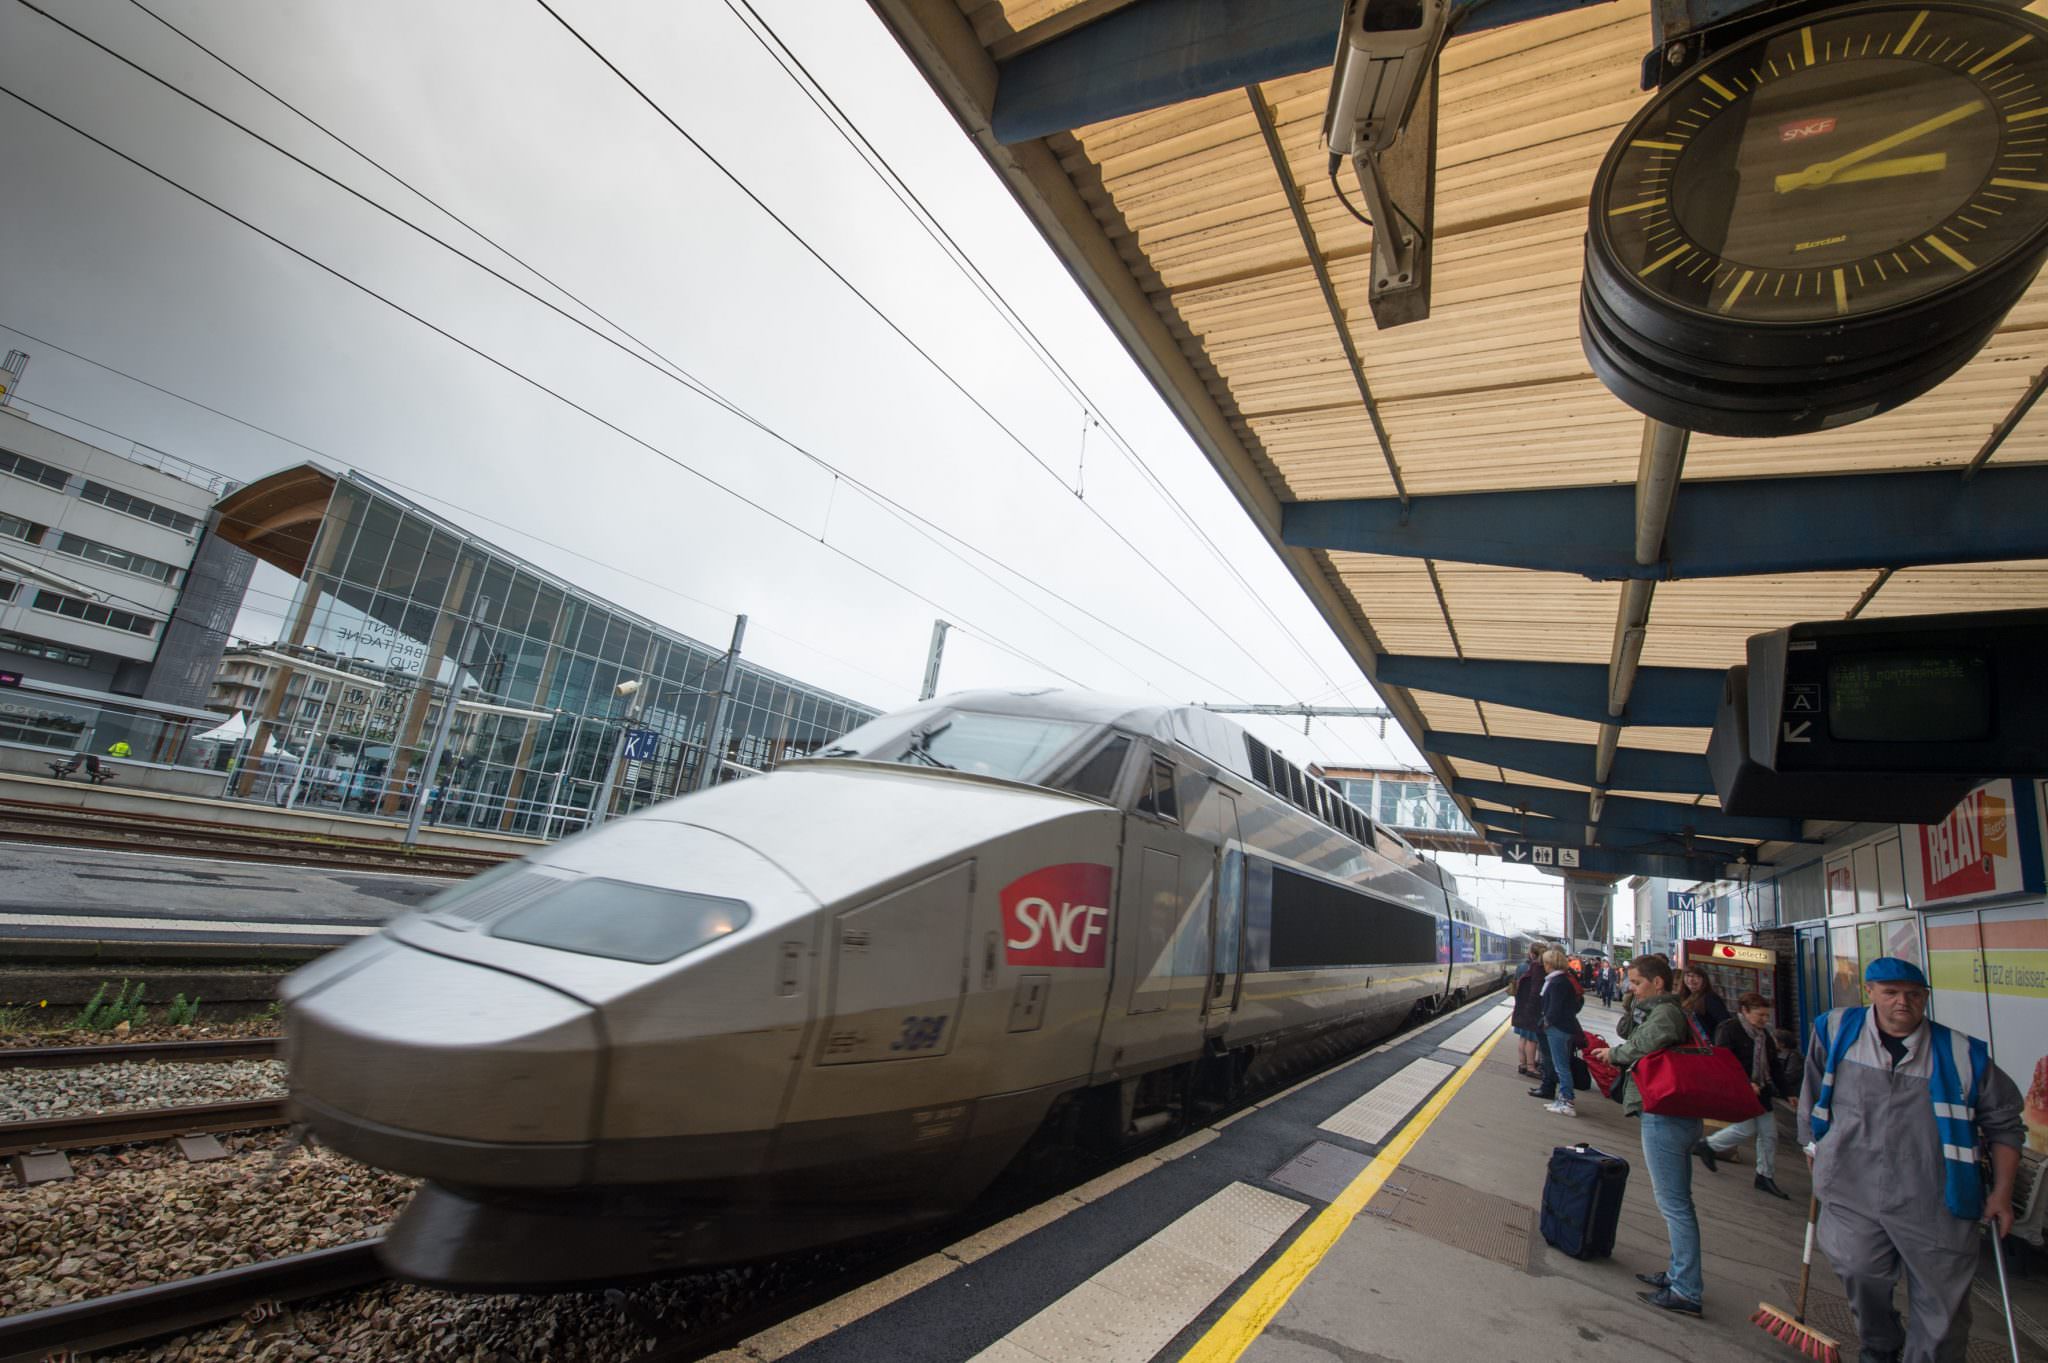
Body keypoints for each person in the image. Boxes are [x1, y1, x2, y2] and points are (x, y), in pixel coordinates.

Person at [1798, 957, 2024, 1363]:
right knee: (1857, 1268)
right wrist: (1811, 1145)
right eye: (1891, 992)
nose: (1904, 1002)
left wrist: (2002, 1193)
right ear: (1870, 991)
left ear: (1926, 998)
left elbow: (2006, 1125)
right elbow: (1812, 1092)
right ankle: (1881, 1344)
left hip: (1937, 1197)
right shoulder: (1834, 1029)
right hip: (1852, 1186)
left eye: (1914, 994)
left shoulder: (1961, 1054)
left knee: (1943, 1308)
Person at [1591, 954, 1705, 1317]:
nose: (1631, 987)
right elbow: (1630, 1030)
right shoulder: (1659, 1010)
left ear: (1658, 983)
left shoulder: (1667, 1014)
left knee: (1674, 1205)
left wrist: (1612, 1054)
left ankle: (1686, 1290)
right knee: (1677, 1202)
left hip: (1667, 1116)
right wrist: (1633, 1005)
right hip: (1673, 1115)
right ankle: (1678, 1273)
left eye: (1637, 983)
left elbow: (1637, 1046)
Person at [1693, 991, 1789, 1199]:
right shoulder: (1729, 1030)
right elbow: (1723, 1062)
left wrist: (1787, 1092)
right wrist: (1745, 1083)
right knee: (1756, 1131)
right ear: (1744, 1011)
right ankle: (1711, 1146)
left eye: (1766, 1015)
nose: (1765, 1020)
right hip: (1742, 1090)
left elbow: (1773, 1065)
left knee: (1764, 1133)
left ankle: (1762, 1174)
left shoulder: (1765, 1037)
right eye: (1760, 1015)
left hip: (1761, 1090)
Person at [1539, 946, 1584, 1117]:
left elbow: (1555, 1008)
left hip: (1558, 1028)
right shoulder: (1561, 980)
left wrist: (1546, 1022)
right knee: (1561, 1065)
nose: (1544, 966)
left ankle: (1567, 1101)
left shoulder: (1558, 982)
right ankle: (1562, 1099)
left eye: (1545, 963)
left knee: (1561, 1066)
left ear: (1550, 964)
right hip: (1561, 1027)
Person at [1511, 943, 1546, 1079]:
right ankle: (1531, 1067)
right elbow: (1536, 992)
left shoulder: (1522, 967)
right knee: (1532, 1039)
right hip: (1532, 1009)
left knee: (1523, 1038)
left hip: (1521, 1007)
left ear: (1531, 953)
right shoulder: (1539, 969)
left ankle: (1522, 1064)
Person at [1679, 966, 1732, 1037]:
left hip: (1707, 1044)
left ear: (1704, 980)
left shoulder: (1709, 998)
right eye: (1688, 975)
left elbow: (1725, 1022)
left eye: (1696, 976)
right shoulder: (1685, 997)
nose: (1691, 979)